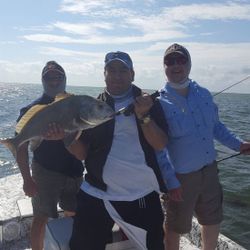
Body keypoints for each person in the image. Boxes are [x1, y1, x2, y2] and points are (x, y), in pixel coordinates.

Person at [64, 51, 169, 250]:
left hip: (141, 194)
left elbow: (160, 144)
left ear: (133, 74)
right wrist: (66, 137)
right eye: (111, 70)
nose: (117, 75)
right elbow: (82, 154)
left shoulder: (149, 103)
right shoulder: (91, 106)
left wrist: (144, 116)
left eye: (123, 70)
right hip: (97, 193)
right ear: (104, 74)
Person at [158, 43, 250, 250]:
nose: (175, 65)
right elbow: (158, 149)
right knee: (174, 227)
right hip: (180, 179)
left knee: (212, 220)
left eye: (181, 60)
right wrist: (170, 181)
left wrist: (239, 144)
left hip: (209, 171)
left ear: (189, 64)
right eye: (169, 61)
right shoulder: (158, 103)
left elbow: (216, 127)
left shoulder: (204, 94)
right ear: (164, 67)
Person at [16, 61, 84, 250]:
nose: (54, 80)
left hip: (74, 170)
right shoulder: (31, 109)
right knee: (41, 218)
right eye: (49, 77)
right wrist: (27, 179)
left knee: (74, 213)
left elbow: (84, 135)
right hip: (45, 173)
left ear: (64, 79)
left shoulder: (76, 104)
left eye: (58, 76)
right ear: (43, 80)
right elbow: (21, 146)